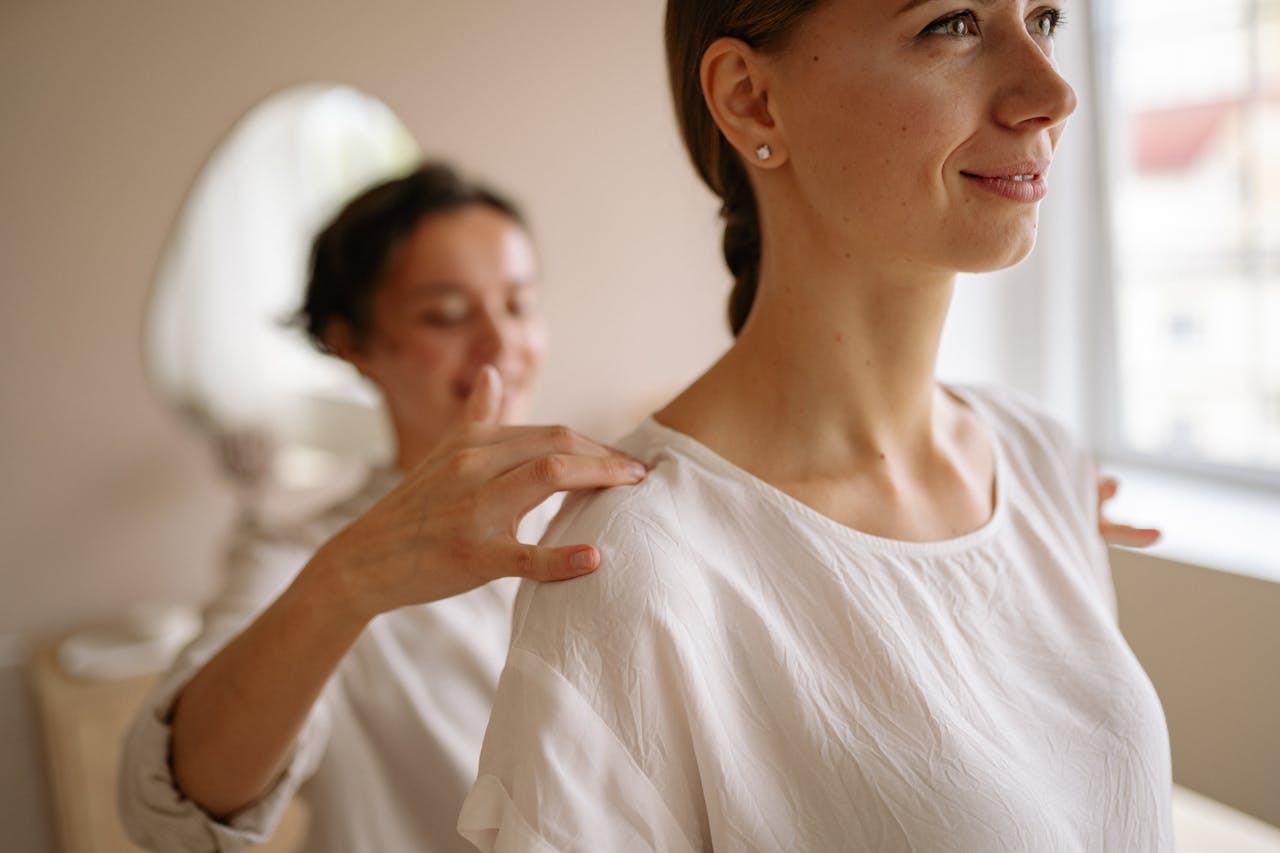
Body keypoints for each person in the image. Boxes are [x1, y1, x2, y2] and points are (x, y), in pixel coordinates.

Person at [458, 2, 1173, 851]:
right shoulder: (639, 570)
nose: (1052, 92)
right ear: (752, 100)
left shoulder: (1041, 460)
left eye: (1045, 18)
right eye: (952, 24)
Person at [118, 162, 649, 853]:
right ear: (353, 342)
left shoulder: (608, 507)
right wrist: (349, 581)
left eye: (519, 304)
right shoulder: (299, 555)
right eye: (447, 315)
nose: (500, 346)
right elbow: (167, 810)